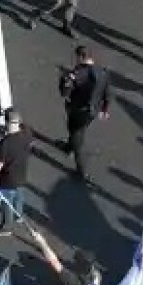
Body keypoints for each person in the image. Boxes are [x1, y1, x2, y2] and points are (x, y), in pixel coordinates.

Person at [57, 46, 112, 184]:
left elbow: (65, 93)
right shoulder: (103, 73)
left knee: (77, 137)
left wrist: (64, 80)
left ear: (81, 57)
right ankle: (69, 146)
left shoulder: (77, 74)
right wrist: (104, 109)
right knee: (78, 129)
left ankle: (81, 171)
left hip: (78, 110)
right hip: (92, 111)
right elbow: (107, 94)